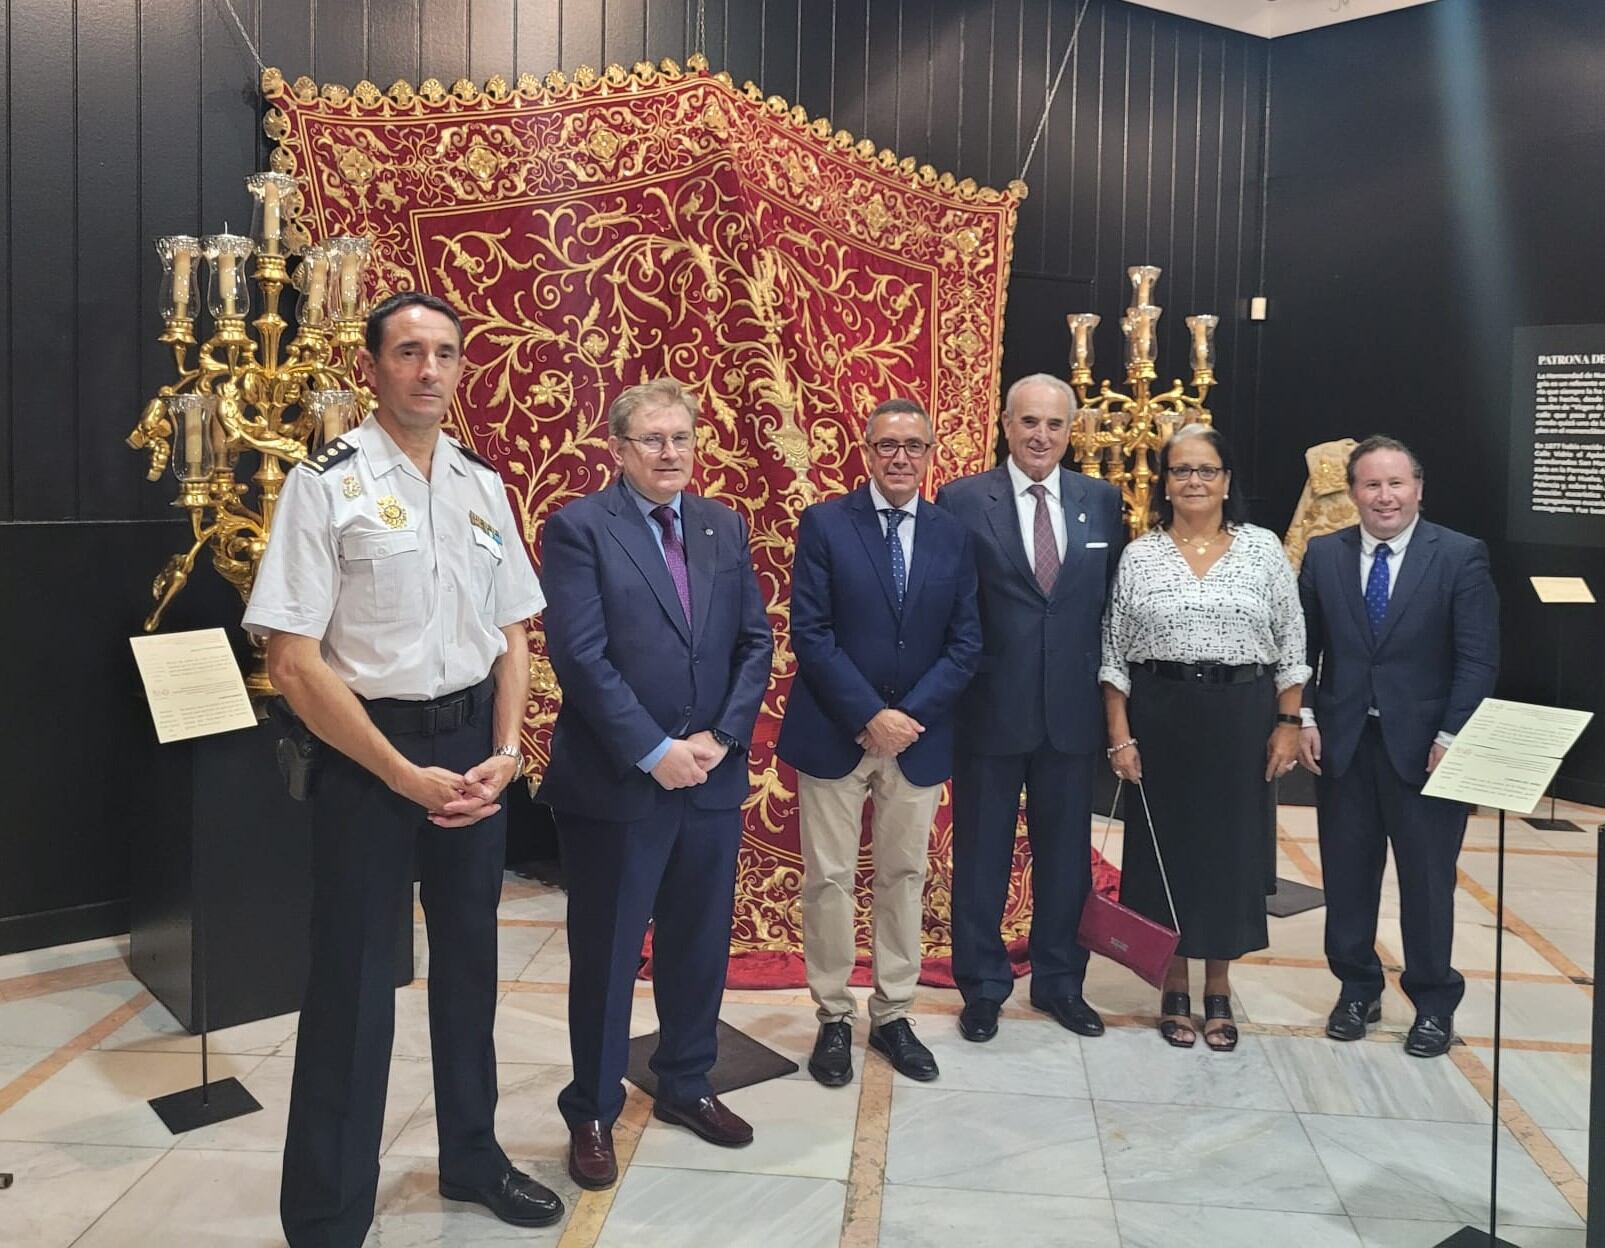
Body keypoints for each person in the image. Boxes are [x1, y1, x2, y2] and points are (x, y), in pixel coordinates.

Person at [243, 291, 561, 1245]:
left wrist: (505, 754)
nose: (430, 370)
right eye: (409, 352)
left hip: (471, 758)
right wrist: (395, 773)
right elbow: (293, 661)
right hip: (367, 758)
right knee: (350, 989)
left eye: (446, 353)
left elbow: (512, 634)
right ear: (372, 369)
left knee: (470, 971)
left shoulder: (479, 483)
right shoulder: (325, 483)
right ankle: (329, 1214)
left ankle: (472, 1157)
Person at [538, 378, 773, 1188]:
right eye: (653, 441)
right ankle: (593, 1110)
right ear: (618, 450)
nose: (670, 453)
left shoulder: (720, 525)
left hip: (709, 776)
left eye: (681, 438)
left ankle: (685, 1082)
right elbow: (580, 657)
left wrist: (719, 738)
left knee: (697, 945)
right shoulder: (577, 529)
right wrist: (653, 748)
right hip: (617, 785)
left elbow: (754, 643)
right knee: (605, 958)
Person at [777, 398, 981, 1086]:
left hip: (916, 740)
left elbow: (965, 642)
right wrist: (869, 715)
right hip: (835, 731)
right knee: (828, 879)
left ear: (930, 455)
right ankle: (834, 1016)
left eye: (913, 446)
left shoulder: (953, 535)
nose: (900, 457)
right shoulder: (826, 524)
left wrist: (907, 716)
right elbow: (810, 633)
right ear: (865, 452)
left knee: (904, 876)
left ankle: (893, 1013)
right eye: (887, 445)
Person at [1100, 423, 1308, 1051]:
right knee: (1167, 852)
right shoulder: (1141, 553)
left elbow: (1292, 642)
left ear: (1227, 480)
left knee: (1229, 852)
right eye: (1181, 470)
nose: (1194, 481)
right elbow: (1114, 652)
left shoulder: (1262, 549)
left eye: (1206, 470)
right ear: (1165, 482)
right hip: (1161, 715)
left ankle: (1218, 987)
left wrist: (1288, 723)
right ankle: (1173, 986)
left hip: (1241, 715)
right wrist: (1119, 734)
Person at [935, 374, 1123, 1044]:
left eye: (1053, 424)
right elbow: (946, 606)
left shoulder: (1101, 501)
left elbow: (1109, 610)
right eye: (1028, 423)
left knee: (1065, 858)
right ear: (1005, 426)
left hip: (1071, 714)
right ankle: (982, 987)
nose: (1040, 435)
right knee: (982, 857)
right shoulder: (960, 500)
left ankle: (1058, 983)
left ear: (1070, 431)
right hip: (988, 711)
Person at [1297, 435, 1499, 1058]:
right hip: (1345, 745)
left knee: (1428, 882)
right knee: (1348, 877)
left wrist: (1451, 736)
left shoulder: (1460, 556)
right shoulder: (1325, 555)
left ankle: (1434, 1000)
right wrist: (1303, 715)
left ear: (1418, 488)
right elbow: (1302, 646)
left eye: (1395, 484)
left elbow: (1478, 658)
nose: (1384, 497)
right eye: (1370, 485)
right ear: (1353, 492)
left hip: (1428, 752)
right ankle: (1356, 988)